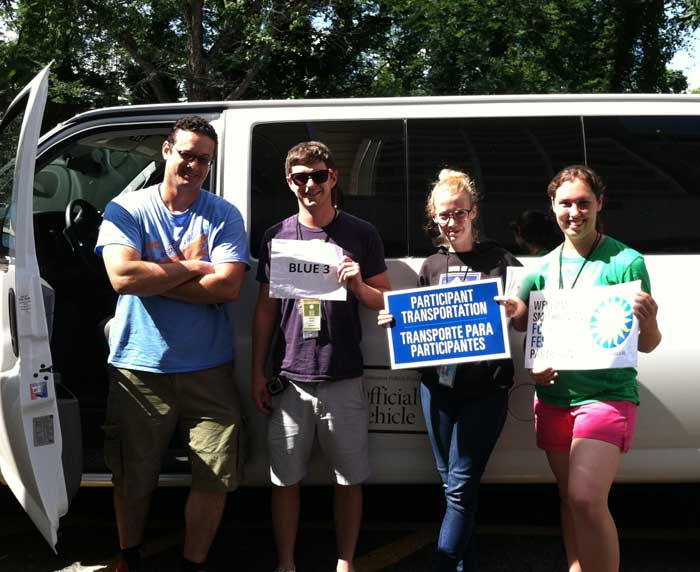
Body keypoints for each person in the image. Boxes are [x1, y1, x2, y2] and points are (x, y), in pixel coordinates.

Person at [96, 115, 250, 572]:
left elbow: (227, 288)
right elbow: (122, 277)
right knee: (133, 476)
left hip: (209, 370)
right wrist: (192, 266)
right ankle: (130, 556)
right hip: (138, 368)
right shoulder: (126, 208)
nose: (194, 165)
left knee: (214, 476)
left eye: (204, 158)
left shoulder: (223, 214)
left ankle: (192, 564)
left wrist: (156, 271)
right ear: (166, 151)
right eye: (186, 154)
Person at [496, 165, 662, 572]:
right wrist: (517, 316)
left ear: (599, 204)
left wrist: (651, 319)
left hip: (606, 396)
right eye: (565, 203)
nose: (575, 212)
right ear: (552, 207)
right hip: (553, 398)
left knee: (587, 497)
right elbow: (524, 324)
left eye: (584, 202)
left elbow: (648, 343)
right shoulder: (541, 268)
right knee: (570, 497)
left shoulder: (626, 262)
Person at [251, 141, 391, 572]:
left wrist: (357, 285)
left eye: (317, 175)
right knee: (285, 480)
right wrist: (258, 372)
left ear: (333, 177)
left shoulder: (361, 233)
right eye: (300, 177)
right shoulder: (276, 236)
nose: (310, 184)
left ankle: (345, 561)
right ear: (289, 182)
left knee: (348, 480)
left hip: (343, 374)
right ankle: (287, 563)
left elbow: (385, 301)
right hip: (290, 377)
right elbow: (266, 310)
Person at [379, 169, 520, 572]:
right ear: (434, 218)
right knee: (454, 486)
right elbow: (424, 324)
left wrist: (514, 309)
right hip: (437, 389)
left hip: (485, 389)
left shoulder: (500, 259)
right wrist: (397, 324)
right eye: (444, 215)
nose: (451, 222)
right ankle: (464, 565)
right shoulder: (431, 264)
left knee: (458, 488)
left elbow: (526, 312)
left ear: (473, 212)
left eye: (458, 213)